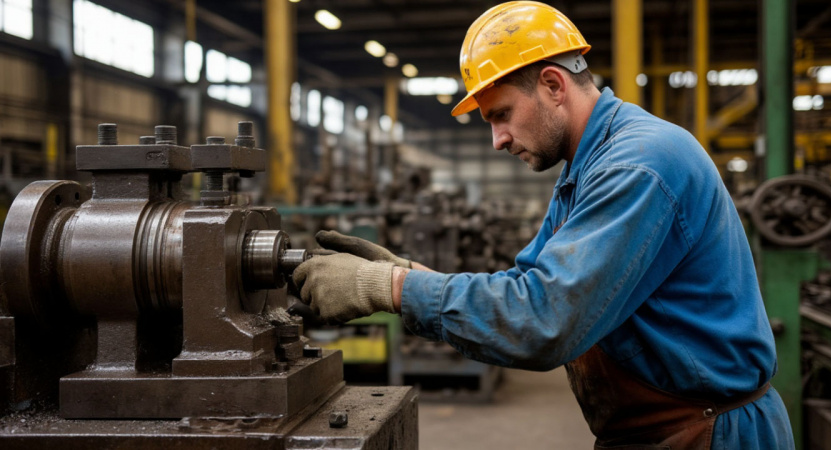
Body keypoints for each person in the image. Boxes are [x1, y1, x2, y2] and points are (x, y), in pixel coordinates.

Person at [293, 2, 794, 448]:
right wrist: (409, 274)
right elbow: (524, 288)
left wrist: (394, 289)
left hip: (710, 433)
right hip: (657, 429)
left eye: (502, 114)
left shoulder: (638, 164)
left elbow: (547, 321)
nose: (498, 139)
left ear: (553, 85)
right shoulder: (587, 168)